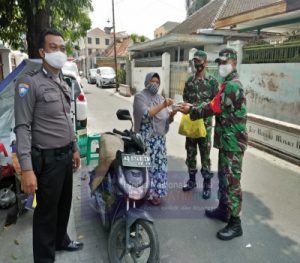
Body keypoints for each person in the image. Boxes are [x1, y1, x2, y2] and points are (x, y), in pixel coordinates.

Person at [14, 28, 83, 263]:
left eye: (62, 48)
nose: (59, 52)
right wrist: (26, 169)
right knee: (45, 214)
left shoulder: (62, 81)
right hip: (47, 161)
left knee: (64, 207)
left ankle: (61, 240)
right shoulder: (29, 83)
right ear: (42, 52)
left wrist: (74, 147)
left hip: (65, 157)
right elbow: (22, 127)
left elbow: (66, 119)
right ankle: (44, 258)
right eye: (53, 47)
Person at [179, 48, 248, 240]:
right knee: (225, 179)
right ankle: (223, 210)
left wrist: (191, 110)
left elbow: (213, 106)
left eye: (224, 62)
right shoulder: (227, 84)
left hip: (233, 143)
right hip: (227, 142)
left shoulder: (232, 86)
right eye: (219, 63)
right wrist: (191, 107)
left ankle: (235, 224)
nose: (221, 66)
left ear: (233, 63)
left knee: (232, 182)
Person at [133, 72, 175, 206]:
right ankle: (146, 192)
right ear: (147, 81)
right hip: (146, 141)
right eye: (152, 81)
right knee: (148, 168)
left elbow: (165, 119)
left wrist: (173, 113)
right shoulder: (140, 97)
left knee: (159, 168)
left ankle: (156, 193)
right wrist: (163, 105)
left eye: (157, 82)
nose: (155, 84)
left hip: (160, 142)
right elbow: (146, 114)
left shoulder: (159, 98)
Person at [181, 50, 219, 200]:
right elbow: (185, 99)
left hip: (205, 126)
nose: (197, 64)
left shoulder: (212, 82)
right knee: (190, 154)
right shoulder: (189, 82)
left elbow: (216, 104)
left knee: (205, 156)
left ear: (206, 62)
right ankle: (191, 181)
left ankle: (207, 184)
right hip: (191, 124)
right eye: (195, 61)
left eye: (200, 61)